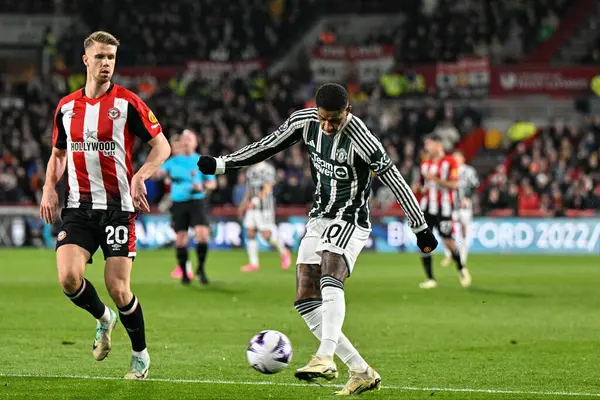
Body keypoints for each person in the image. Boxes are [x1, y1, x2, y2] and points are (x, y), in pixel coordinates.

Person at [197, 83, 437, 395]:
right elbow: (267, 145)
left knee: (330, 273)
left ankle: (324, 357)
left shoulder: (362, 140)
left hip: (351, 217)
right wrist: (223, 164)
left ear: (347, 112)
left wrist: (420, 228)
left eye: (334, 120)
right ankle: (360, 369)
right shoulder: (305, 121)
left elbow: (395, 180)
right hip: (319, 216)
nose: (326, 125)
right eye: (323, 118)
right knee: (305, 299)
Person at [39, 31, 171, 380]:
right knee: (68, 278)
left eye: (111, 57)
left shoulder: (128, 103)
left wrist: (141, 175)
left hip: (117, 207)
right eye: (100, 57)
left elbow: (162, 147)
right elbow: (58, 155)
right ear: (86, 60)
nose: (106, 63)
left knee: (118, 287)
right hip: (79, 206)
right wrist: (48, 188)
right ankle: (102, 318)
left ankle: (140, 357)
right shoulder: (67, 107)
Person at [156, 129, 216, 284]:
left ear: (195, 142)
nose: (187, 141)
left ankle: (201, 268)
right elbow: (158, 173)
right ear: (181, 143)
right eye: (185, 139)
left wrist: (202, 185)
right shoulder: (173, 161)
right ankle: (184, 273)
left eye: (190, 139)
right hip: (179, 202)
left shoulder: (203, 161)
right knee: (181, 239)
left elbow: (213, 183)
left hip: (197, 200)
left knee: (202, 235)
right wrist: (159, 173)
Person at [414, 135, 471, 289]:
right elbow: (421, 185)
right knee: (424, 242)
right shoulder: (424, 164)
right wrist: (417, 188)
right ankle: (430, 278)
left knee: (448, 241)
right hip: (426, 208)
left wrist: (435, 179)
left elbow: (453, 185)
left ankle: (461, 267)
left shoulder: (450, 162)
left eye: (429, 144)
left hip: (444, 209)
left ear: (438, 144)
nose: (426, 148)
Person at [238, 161, 291, 272]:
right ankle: (253, 263)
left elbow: (268, 187)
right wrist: (243, 204)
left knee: (266, 235)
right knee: (250, 232)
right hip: (252, 207)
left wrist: (256, 199)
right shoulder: (250, 170)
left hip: (265, 208)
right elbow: (249, 190)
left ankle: (284, 252)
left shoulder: (268, 168)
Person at [441, 150, 479, 266]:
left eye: (458, 157)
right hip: (450, 205)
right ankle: (449, 254)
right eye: (454, 157)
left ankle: (462, 257)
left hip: (464, 207)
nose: (455, 159)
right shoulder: (448, 171)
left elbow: (475, 185)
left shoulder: (468, 171)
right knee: (445, 228)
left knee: (464, 231)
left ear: (463, 159)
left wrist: (468, 198)